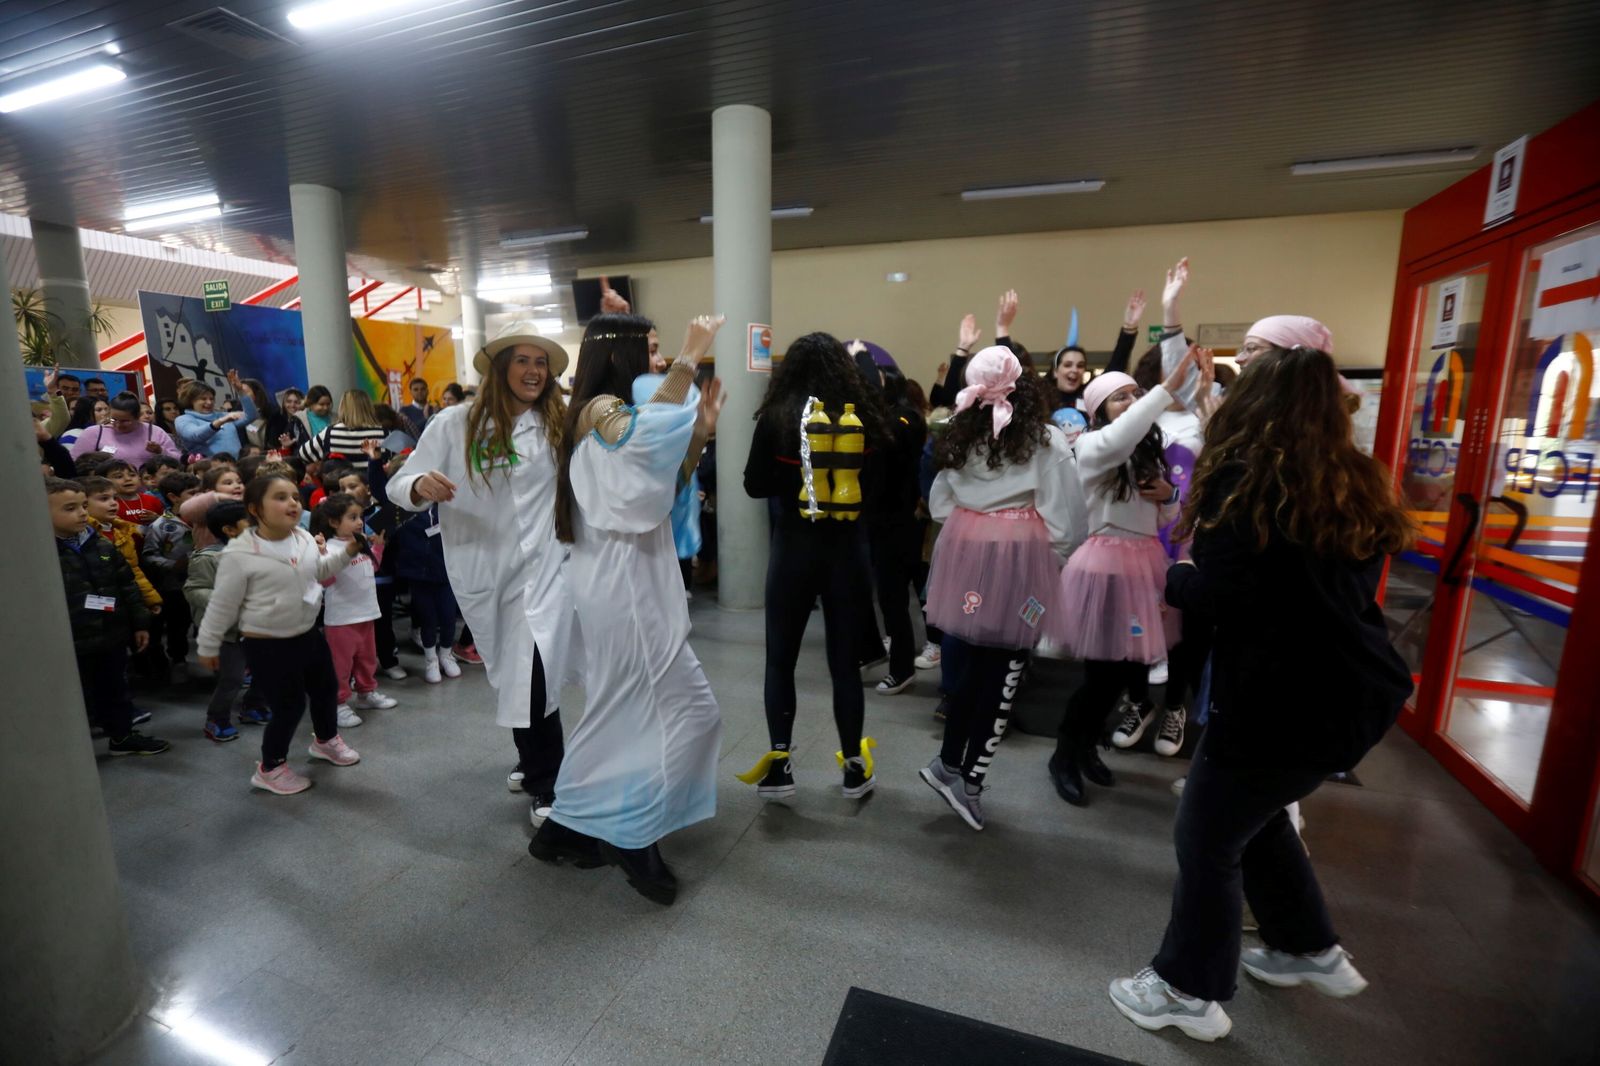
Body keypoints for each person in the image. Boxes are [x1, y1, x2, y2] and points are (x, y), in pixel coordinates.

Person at [1108, 345, 1414, 1042]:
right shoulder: (1351, 480)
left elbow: (1223, 594)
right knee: (1260, 813)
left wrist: (1174, 572)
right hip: (1352, 691)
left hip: (1278, 699)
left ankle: (1187, 990)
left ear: (1255, 402)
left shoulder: (1247, 481)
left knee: (1207, 837)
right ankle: (1306, 947)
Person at [530, 310, 724, 907]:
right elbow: (640, 442)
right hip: (622, 584)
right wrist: (692, 358)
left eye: (666, 350)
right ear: (621, 354)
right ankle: (631, 837)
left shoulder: (609, 412)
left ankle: (566, 828)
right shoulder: (596, 410)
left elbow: (657, 487)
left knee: (650, 709)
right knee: (655, 711)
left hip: (632, 576)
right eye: (656, 349)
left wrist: (699, 432)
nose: (662, 360)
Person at [386, 323, 576, 819]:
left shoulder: (556, 423)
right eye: (523, 360)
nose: (534, 371)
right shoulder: (455, 423)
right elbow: (399, 482)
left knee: (533, 672)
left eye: (542, 363)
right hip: (486, 569)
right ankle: (530, 758)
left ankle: (547, 784)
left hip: (547, 569)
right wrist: (420, 484)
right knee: (517, 672)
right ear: (500, 367)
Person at [917, 346, 1087, 830]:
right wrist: (1043, 559)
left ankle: (949, 763)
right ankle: (967, 781)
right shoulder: (1045, 440)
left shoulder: (957, 434)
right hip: (1022, 566)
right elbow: (1067, 521)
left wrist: (979, 524)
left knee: (967, 666)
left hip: (963, 558)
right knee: (1005, 673)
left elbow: (939, 505)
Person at [1045, 338, 1208, 807]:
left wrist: (1169, 497)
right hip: (1104, 569)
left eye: (1136, 394)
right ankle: (1064, 753)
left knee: (1123, 676)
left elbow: (1163, 521)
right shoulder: (1095, 445)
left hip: (1142, 567)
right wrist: (1167, 387)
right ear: (1098, 409)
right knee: (1101, 676)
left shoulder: (1143, 452)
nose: (1133, 401)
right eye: (1121, 395)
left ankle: (1086, 746)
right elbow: (1120, 436)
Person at [739, 332, 892, 802]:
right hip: (848, 552)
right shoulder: (862, 418)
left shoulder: (778, 417)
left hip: (792, 550)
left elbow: (752, 485)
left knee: (779, 661)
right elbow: (881, 490)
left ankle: (780, 765)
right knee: (844, 665)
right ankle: (852, 766)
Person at [195, 474, 364, 795]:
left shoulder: (301, 537)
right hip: (267, 642)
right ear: (255, 508)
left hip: (308, 633)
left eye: (294, 497)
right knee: (288, 707)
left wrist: (345, 553)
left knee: (326, 690)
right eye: (280, 497)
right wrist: (207, 645)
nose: (292, 503)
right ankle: (270, 768)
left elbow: (320, 572)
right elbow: (221, 604)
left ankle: (326, 741)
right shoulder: (239, 553)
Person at [47, 478, 169, 756]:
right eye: (70, 508)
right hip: (71, 640)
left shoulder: (99, 543)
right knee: (76, 695)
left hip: (110, 633)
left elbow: (127, 584)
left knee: (116, 687)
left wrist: (139, 623)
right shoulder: (41, 554)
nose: (81, 513)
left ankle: (122, 736)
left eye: (82, 506)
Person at [859, 355, 928, 696]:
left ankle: (902, 669)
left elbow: (894, 442)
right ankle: (879, 654)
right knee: (886, 597)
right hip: (881, 521)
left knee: (897, 598)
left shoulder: (905, 420)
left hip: (900, 523)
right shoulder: (884, 420)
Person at [184, 496, 271, 741]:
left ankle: (253, 706)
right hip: (227, 631)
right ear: (229, 530)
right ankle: (217, 718)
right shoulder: (208, 558)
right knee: (232, 678)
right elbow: (193, 589)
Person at [309, 494, 397, 728]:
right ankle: (337, 704)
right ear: (333, 522)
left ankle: (366, 693)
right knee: (341, 665)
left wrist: (377, 546)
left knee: (367, 659)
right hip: (341, 620)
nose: (360, 521)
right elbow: (325, 580)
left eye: (360, 516)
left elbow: (373, 566)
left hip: (367, 613)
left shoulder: (360, 542)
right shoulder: (330, 548)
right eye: (352, 517)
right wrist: (320, 554)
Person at [388, 502, 459, 683]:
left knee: (448, 617)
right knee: (427, 619)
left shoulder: (446, 507)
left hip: (446, 573)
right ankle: (431, 660)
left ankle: (445, 655)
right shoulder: (402, 510)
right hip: (418, 575)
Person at [141, 472, 202, 682]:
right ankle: (179, 659)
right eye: (192, 493)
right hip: (175, 586)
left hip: (204, 582)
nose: (198, 497)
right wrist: (172, 565)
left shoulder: (205, 521)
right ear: (174, 497)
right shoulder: (161, 525)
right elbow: (149, 556)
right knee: (178, 625)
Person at [1050, 290, 1146, 411]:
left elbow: (1116, 366)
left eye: (1080, 366)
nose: (1074, 370)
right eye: (1068, 365)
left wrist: (1129, 327)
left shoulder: (1090, 396)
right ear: (1055, 371)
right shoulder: (1043, 398)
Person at [69, 392, 180, 463]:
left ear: (137, 417)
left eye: (125, 421)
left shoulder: (155, 432)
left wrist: (161, 451)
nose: (118, 424)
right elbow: (76, 463)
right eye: (114, 419)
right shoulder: (94, 433)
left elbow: (178, 459)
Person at [298, 389, 388, 464]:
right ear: (369, 406)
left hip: (339, 484)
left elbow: (303, 454)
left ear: (343, 407)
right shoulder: (383, 432)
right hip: (376, 484)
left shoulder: (330, 432)